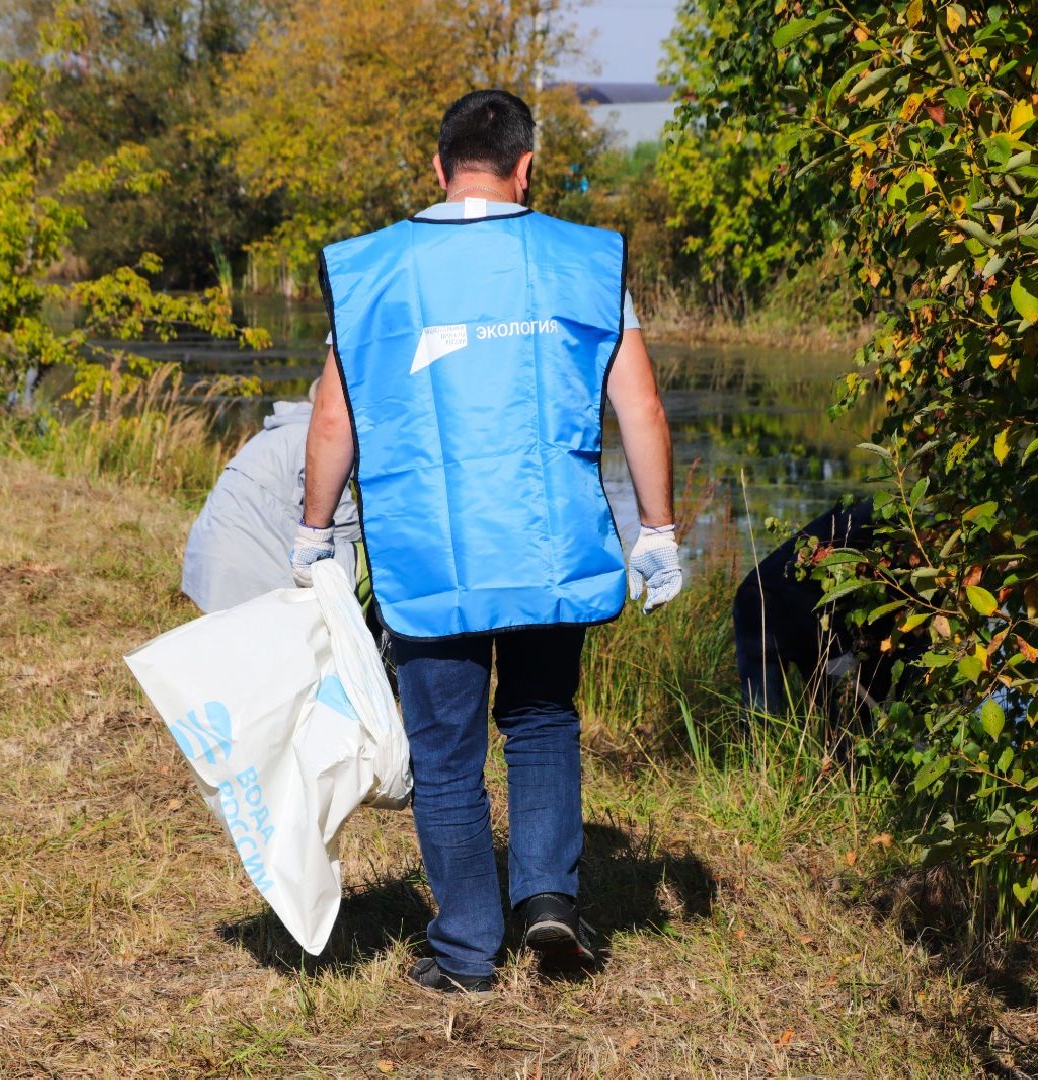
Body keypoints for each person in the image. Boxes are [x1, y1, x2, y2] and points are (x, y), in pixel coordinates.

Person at [291, 90, 681, 994]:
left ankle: (466, 950)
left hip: (427, 557)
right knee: (542, 720)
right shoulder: (584, 259)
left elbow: (331, 419)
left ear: (436, 168)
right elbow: (641, 407)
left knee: (445, 752)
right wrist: (656, 531)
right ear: (525, 167)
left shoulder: (374, 271)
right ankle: (546, 897)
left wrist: (315, 533)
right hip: (551, 551)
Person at [181, 380, 360, 613]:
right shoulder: (316, 442)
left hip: (203, 574)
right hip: (240, 577)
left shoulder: (271, 433)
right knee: (366, 563)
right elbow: (347, 527)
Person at [732, 497, 898, 722]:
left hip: (800, 608)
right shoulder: (872, 530)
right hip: (766, 608)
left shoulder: (868, 519)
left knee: (836, 709)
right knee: (763, 712)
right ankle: (850, 738)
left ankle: (845, 742)